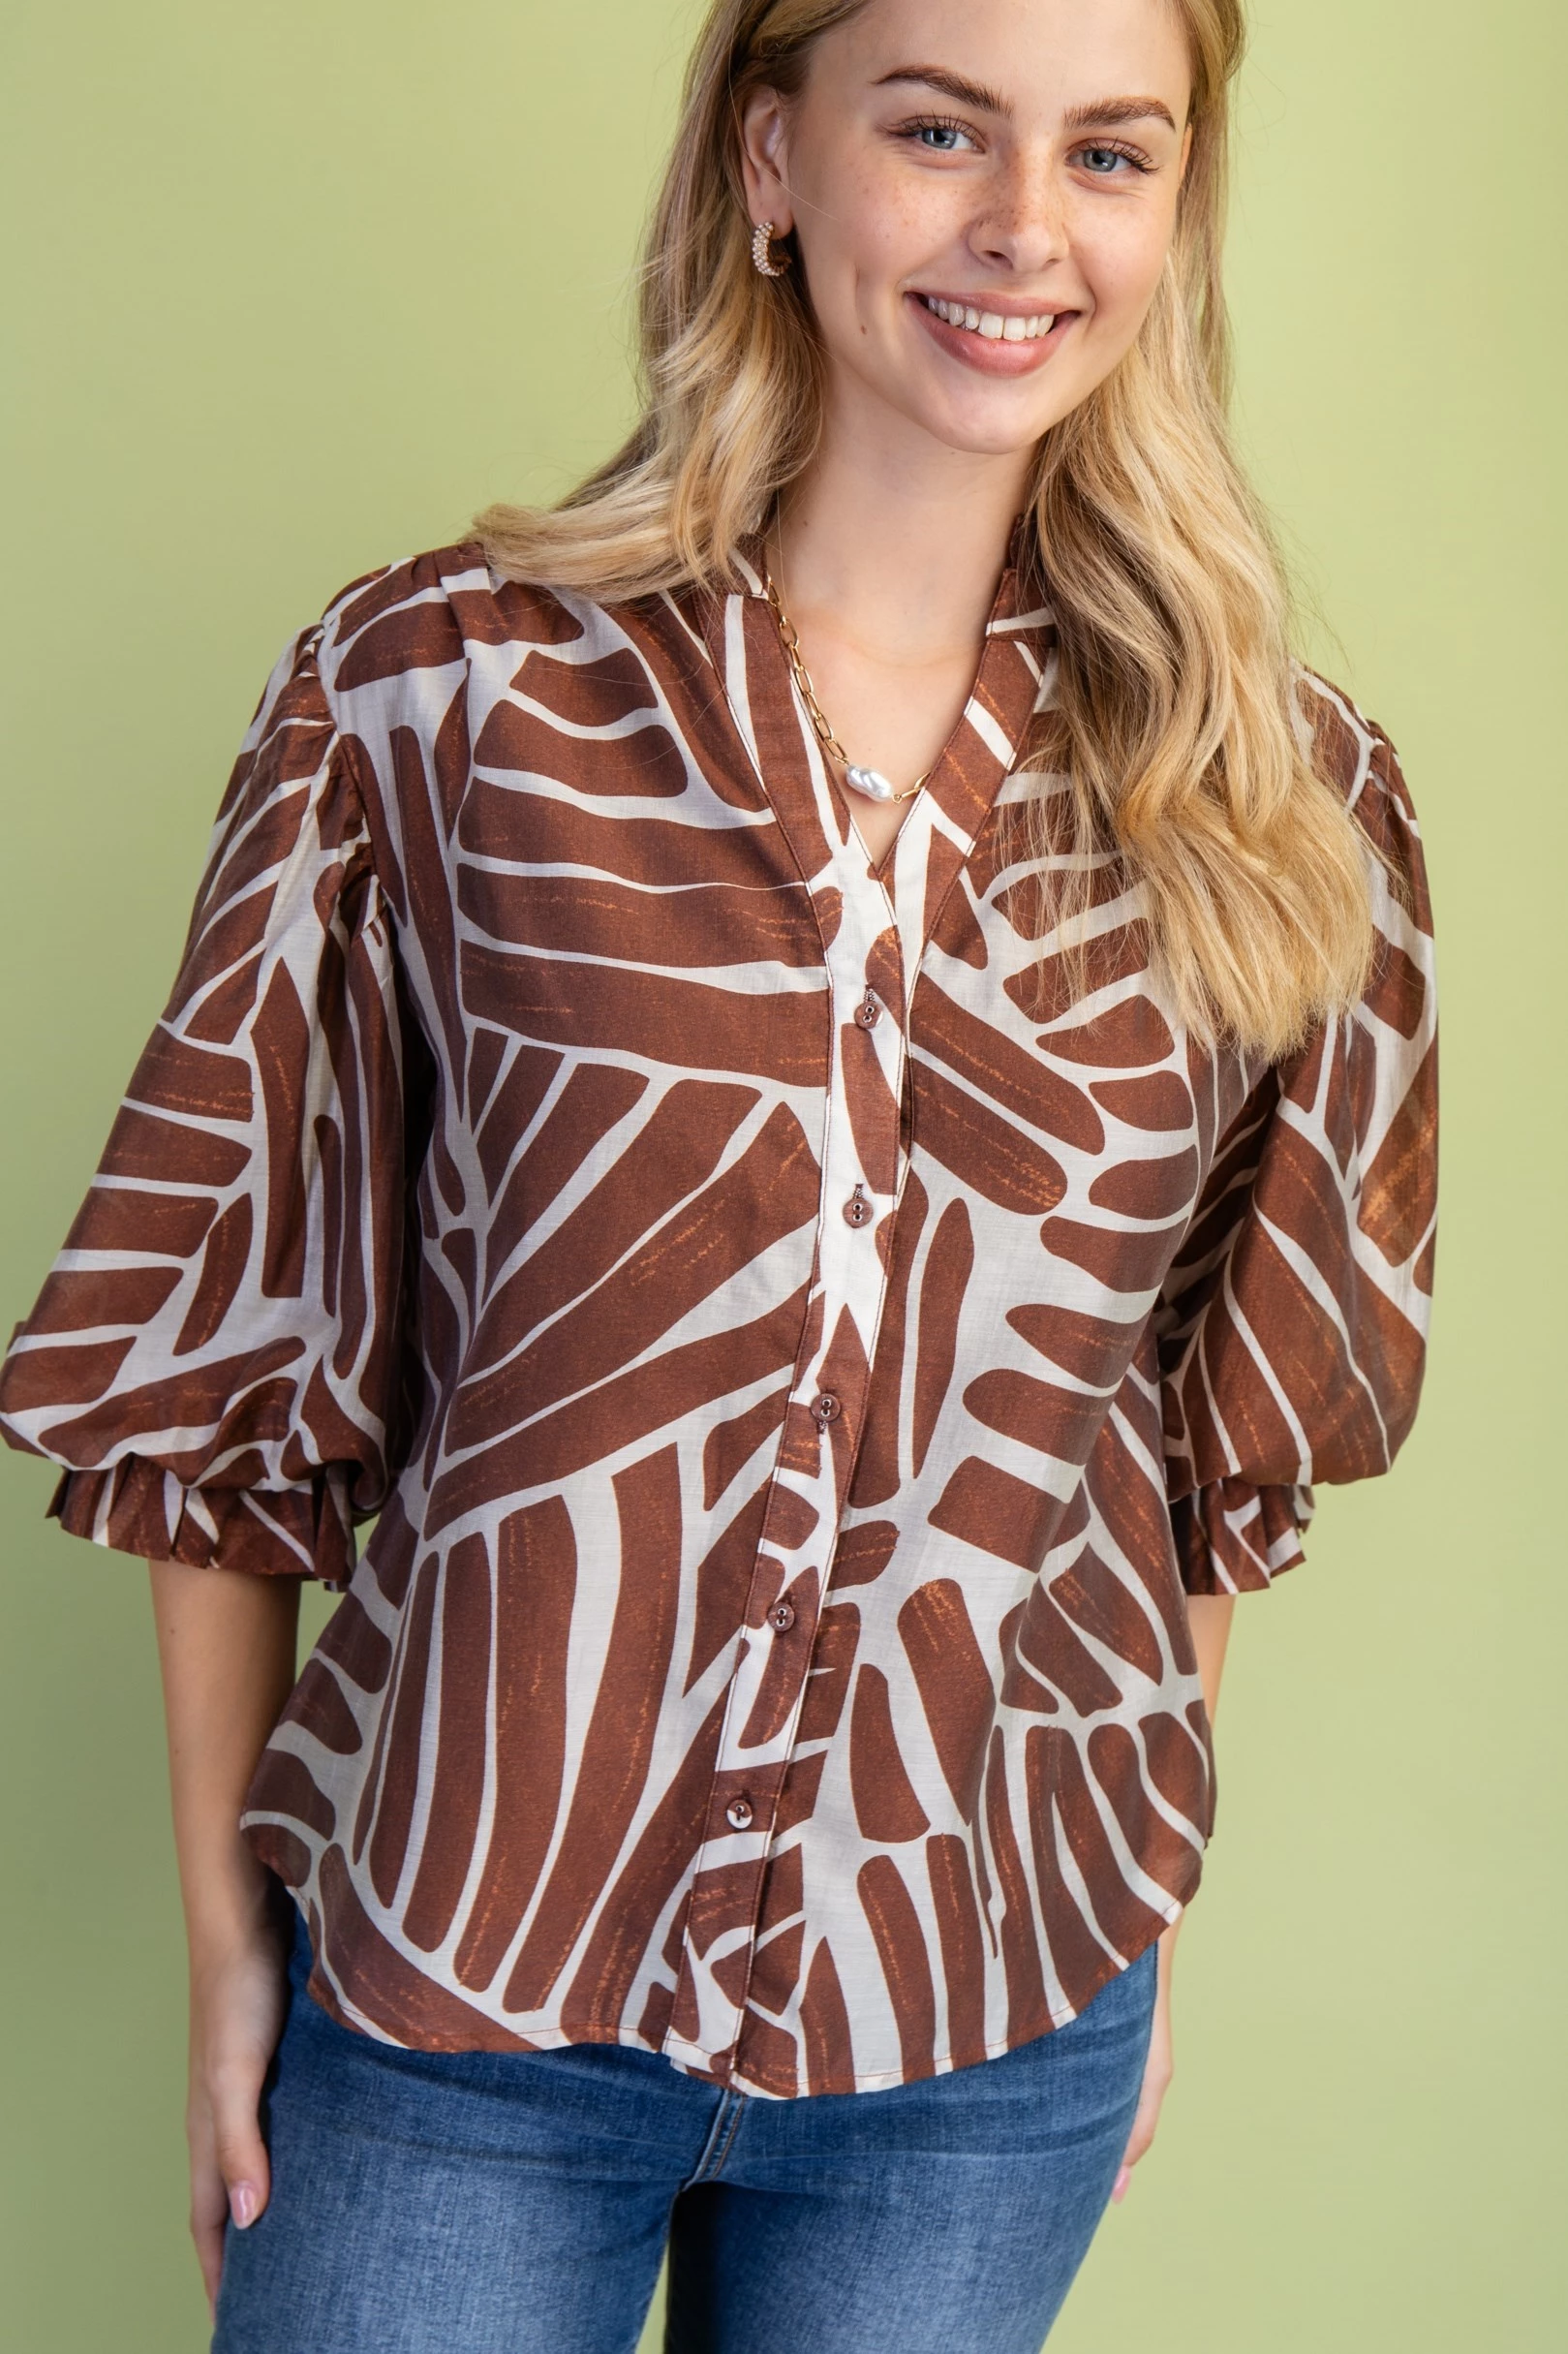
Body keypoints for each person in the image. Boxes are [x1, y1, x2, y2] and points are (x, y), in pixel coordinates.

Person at [0, 0, 1437, 2346]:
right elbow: (220, 1380)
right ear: (769, 160)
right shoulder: (440, 702)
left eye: (1106, 153)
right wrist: (224, 1947)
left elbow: (1208, 1458)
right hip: (461, 2007)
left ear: (1174, 210)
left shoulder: (1280, 801)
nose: (1020, 226)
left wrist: (1135, 1903)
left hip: (985, 2027)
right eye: (937, 130)